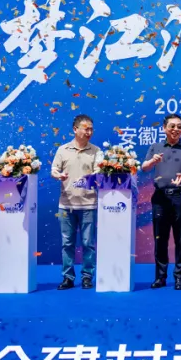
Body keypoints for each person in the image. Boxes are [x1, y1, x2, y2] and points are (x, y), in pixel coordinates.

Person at [141, 114, 181, 290]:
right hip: (160, 197)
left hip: (180, 197)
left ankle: (180, 277)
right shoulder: (156, 147)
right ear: (164, 128)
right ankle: (160, 277)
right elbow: (144, 168)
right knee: (160, 238)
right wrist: (153, 161)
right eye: (172, 126)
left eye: (179, 126)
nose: (176, 129)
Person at [51, 114, 100, 290]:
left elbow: (99, 172)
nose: (89, 132)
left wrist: (92, 177)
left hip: (88, 204)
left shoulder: (96, 151)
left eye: (91, 129)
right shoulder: (63, 150)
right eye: (86, 129)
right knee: (67, 244)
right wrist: (59, 175)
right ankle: (68, 277)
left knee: (88, 244)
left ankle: (87, 276)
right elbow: (54, 170)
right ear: (75, 129)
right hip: (66, 204)